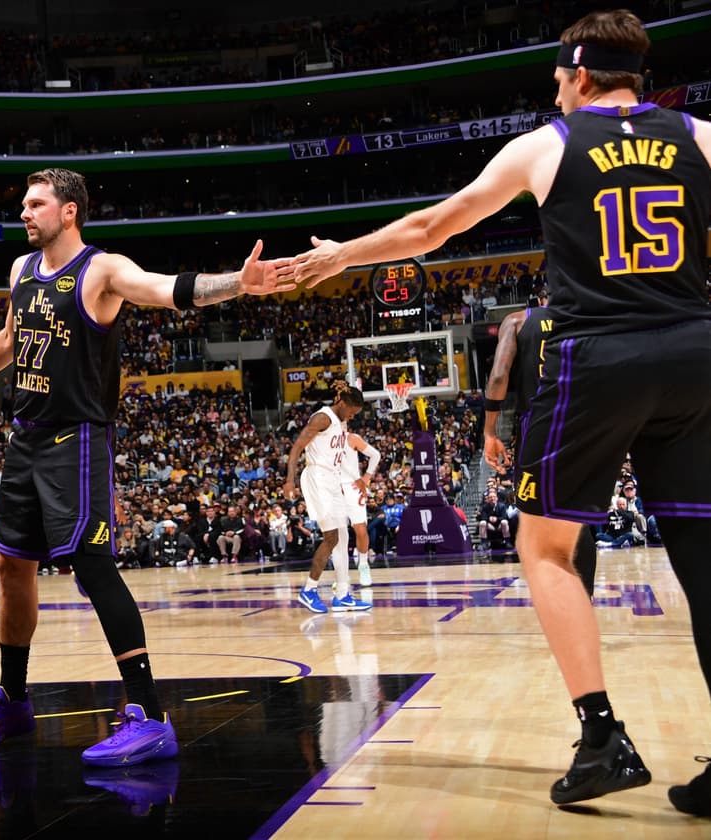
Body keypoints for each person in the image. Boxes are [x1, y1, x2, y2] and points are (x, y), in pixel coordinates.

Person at [290, 9, 711, 811]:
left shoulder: (548, 146)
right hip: (696, 350)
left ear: (580, 74)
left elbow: (430, 227)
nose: (556, 91)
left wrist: (339, 255)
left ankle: (601, 738)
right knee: (705, 553)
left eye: (558, 79)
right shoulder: (698, 135)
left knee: (546, 548)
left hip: (600, 353)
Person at [0, 167, 296, 767]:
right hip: (24, 440)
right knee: (11, 569)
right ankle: (14, 702)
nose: (23, 213)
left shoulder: (102, 270)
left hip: (76, 440)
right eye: (23, 205)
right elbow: (11, 336)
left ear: (70, 211)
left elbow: (164, 288)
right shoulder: (21, 272)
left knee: (93, 567)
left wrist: (239, 283)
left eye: (35, 204)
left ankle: (150, 715)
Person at [482, 292, 597, 595]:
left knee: (535, 515)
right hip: (580, 420)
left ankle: (557, 597)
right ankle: (584, 597)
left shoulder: (518, 320)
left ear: (540, 298)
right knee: (577, 516)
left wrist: (490, 431)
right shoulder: (586, 318)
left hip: (539, 423)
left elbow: (498, 376)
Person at [283, 381, 372, 614]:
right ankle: (309, 590)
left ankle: (343, 595)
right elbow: (296, 448)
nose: (352, 416)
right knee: (331, 536)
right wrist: (289, 480)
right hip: (317, 478)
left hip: (332, 480)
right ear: (341, 403)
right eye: (351, 412)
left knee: (342, 536)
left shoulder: (341, 422)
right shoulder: (321, 418)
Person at [336, 425, 381, 588]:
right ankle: (342, 576)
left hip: (353, 488)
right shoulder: (324, 442)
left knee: (361, 530)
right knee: (338, 535)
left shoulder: (352, 438)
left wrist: (366, 478)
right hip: (334, 489)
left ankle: (363, 565)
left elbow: (375, 455)